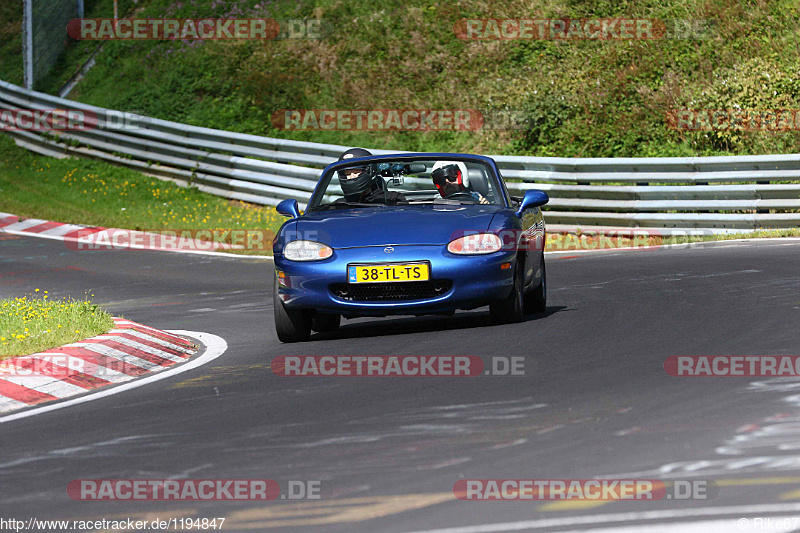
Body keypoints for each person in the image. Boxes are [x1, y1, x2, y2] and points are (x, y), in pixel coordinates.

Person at [335, 148, 407, 205]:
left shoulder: (392, 199)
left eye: (356, 172)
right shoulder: (339, 205)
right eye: (347, 174)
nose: (351, 177)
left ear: (370, 171)